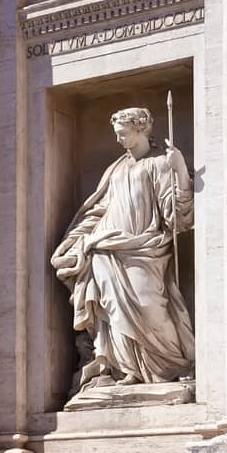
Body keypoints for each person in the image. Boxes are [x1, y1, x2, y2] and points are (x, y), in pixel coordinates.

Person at [51, 106, 194, 395]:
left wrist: (179, 167)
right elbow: (99, 210)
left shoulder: (160, 163)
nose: (118, 140)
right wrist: (73, 241)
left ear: (141, 129)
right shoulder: (115, 169)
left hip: (145, 247)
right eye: (116, 134)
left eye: (123, 134)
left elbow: (178, 215)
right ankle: (126, 369)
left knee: (150, 305)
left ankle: (174, 365)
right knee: (114, 311)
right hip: (105, 247)